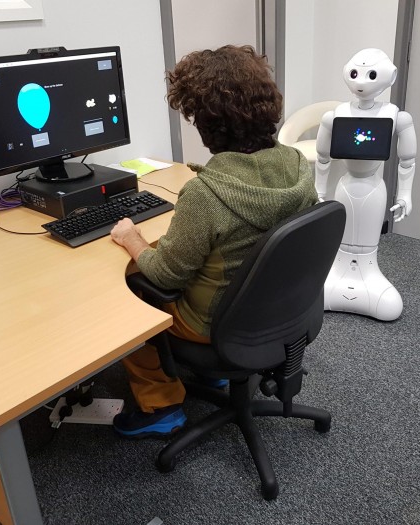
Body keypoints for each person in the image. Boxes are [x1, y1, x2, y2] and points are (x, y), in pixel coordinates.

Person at [109, 45, 318, 438]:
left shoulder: (205, 194)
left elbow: (166, 276)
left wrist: (133, 239)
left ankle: (161, 406)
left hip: (212, 325)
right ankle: (217, 375)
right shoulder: (295, 164)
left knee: (130, 295)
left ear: (205, 125)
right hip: (279, 309)